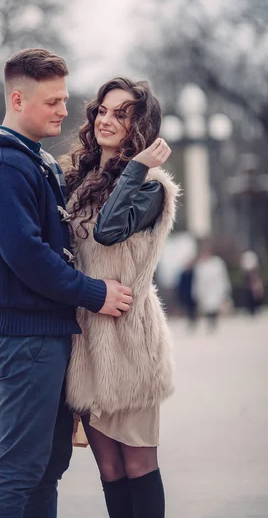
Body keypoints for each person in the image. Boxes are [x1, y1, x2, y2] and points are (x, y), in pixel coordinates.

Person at [0, 49, 133, 518]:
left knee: (46, 465)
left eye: (64, 98)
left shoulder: (32, 161)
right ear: (18, 98)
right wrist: (95, 294)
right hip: (25, 335)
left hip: (44, 332)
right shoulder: (1, 166)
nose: (64, 110)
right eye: (53, 101)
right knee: (19, 468)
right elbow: (27, 257)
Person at [62, 77, 179, 518]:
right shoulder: (80, 180)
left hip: (130, 341)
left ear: (141, 127)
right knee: (109, 469)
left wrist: (133, 168)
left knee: (137, 464)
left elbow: (109, 232)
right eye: (103, 111)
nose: (106, 120)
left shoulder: (151, 187)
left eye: (122, 114)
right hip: (86, 345)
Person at [192, 244, 231, 331]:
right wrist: (196, 292)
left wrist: (224, 290)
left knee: (214, 307)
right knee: (207, 308)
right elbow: (197, 281)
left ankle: (214, 322)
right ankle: (210, 323)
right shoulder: (200, 265)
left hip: (216, 289)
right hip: (205, 291)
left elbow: (222, 277)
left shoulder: (217, 263)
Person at [176, 259, 197, 329]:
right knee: (188, 309)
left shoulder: (194, 273)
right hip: (186, 294)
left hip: (193, 293)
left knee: (193, 308)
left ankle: (193, 320)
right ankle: (190, 321)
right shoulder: (183, 274)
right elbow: (180, 285)